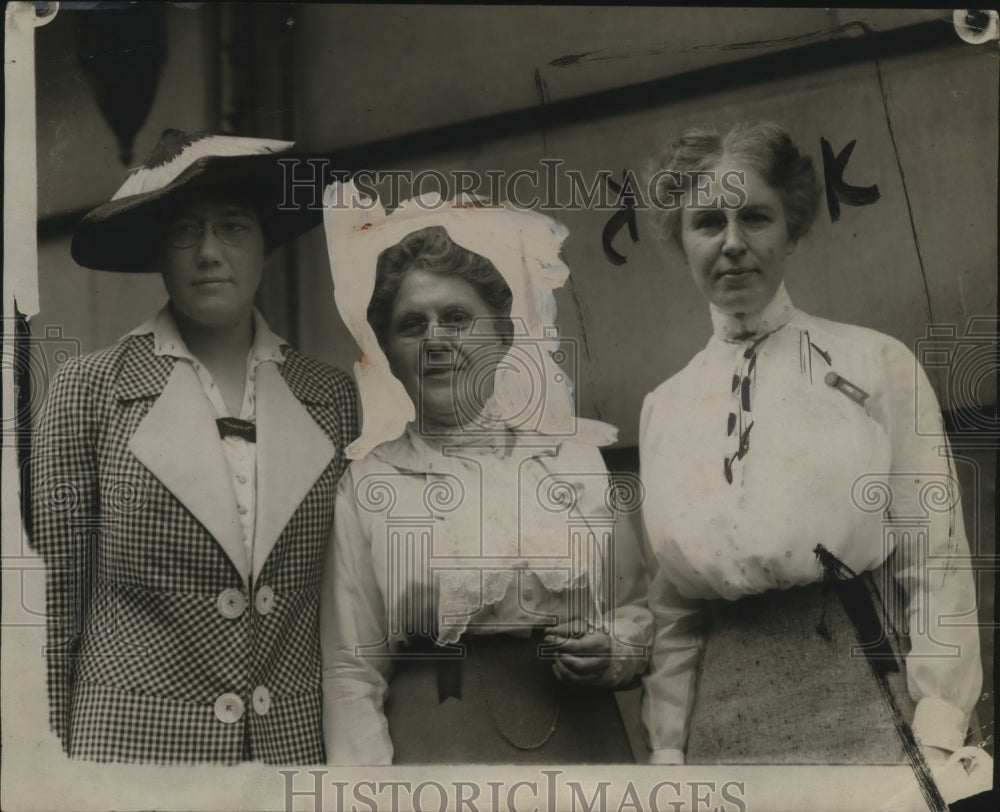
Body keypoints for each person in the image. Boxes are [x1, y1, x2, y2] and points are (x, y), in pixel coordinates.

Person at [639, 122, 983, 774]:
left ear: (792, 229)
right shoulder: (664, 408)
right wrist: (667, 749)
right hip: (721, 728)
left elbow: (934, 557)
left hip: (863, 699)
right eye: (708, 222)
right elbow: (674, 615)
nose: (732, 243)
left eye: (755, 217)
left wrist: (939, 725)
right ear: (681, 240)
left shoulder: (874, 363)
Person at [29, 129, 358, 764]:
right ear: (159, 250)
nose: (209, 253)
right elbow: (51, 603)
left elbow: (347, 606)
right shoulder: (89, 389)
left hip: (288, 753)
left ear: (265, 243)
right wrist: (46, 766)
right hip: (130, 755)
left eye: (233, 227)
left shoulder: (330, 396)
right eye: (184, 231)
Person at [319, 184, 652, 764]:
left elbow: (637, 612)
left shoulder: (574, 462)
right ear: (390, 355)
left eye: (456, 318)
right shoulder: (370, 486)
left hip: (582, 743)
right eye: (412, 325)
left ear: (502, 336)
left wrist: (617, 652)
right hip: (437, 751)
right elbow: (351, 671)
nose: (436, 340)